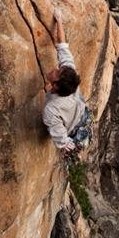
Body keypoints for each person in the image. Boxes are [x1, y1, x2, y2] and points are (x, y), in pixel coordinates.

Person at [42, 9, 88, 154]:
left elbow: (62, 142)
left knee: (67, 139)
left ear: (55, 86)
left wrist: (69, 145)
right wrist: (59, 20)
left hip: (73, 125)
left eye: (56, 73)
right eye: (58, 69)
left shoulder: (51, 109)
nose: (54, 69)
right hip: (79, 108)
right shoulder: (69, 73)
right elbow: (62, 45)